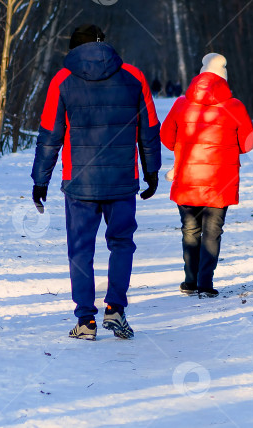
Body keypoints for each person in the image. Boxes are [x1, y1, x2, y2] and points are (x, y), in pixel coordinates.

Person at [31, 24, 161, 340]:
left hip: (79, 183)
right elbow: (149, 127)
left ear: (73, 49)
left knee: (80, 250)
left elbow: (50, 135)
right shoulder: (134, 76)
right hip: (121, 181)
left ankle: (86, 321)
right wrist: (151, 171)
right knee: (121, 244)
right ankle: (115, 309)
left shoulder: (62, 80)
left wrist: (40, 181)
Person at [160, 53, 253, 298]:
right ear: (224, 78)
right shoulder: (234, 106)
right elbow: (247, 143)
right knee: (212, 232)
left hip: (188, 180)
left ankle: (189, 281)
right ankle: (205, 283)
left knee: (190, 230)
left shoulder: (181, 104)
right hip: (219, 183)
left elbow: (166, 137)